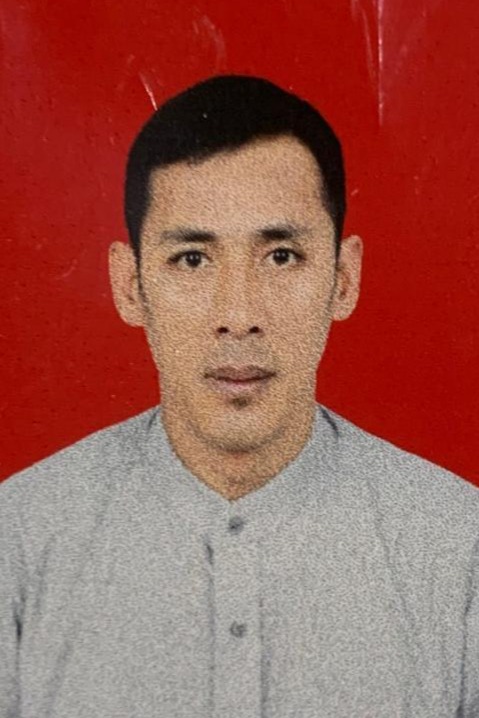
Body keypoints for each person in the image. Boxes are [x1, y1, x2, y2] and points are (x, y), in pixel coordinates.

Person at [1, 74, 478, 718]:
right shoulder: (20, 536)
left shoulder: (458, 546)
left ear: (343, 279)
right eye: (192, 259)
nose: (238, 316)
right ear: (129, 286)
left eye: (281, 256)